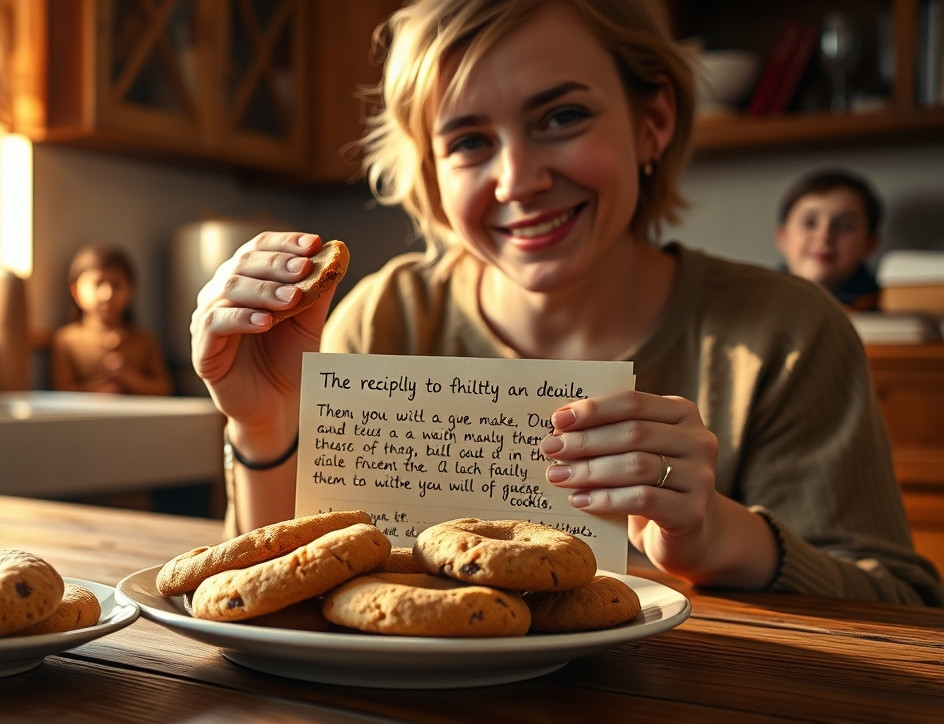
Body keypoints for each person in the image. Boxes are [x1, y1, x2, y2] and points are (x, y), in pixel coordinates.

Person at [190, 0, 940, 605]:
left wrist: (719, 538)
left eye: (562, 117)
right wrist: (266, 427)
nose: (518, 180)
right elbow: (262, 593)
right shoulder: (382, 318)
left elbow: (905, 609)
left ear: (653, 122)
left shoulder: (787, 334)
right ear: (431, 173)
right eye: (469, 141)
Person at [51, 243, 172, 395]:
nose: (107, 294)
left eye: (116, 285)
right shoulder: (67, 340)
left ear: (130, 290)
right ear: (76, 291)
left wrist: (131, 379)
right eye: (98, 284)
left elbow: (164, 388)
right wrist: (96, 391)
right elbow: (62, 390)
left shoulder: (145, 341)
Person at [774, 168, 884, 310]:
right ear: (782, 237)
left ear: (870, 243)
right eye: (809, 223)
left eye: (844, 226)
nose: (824, 237)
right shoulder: (758, 300)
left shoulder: (889, 307)